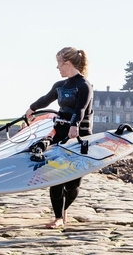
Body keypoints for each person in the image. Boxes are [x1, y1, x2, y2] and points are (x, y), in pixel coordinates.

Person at [25, 47, 93, 229]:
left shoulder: (84, 86)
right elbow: (46, 99)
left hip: (79, 138)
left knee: (72, 184)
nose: (57, 68)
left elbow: (80, 109)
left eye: (59, 63)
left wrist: (74, 126)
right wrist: (32, 108)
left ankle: (64, 211)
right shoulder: (60, 86)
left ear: (68, 64)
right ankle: (58, 217)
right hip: (59, 135)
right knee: (55, 178)